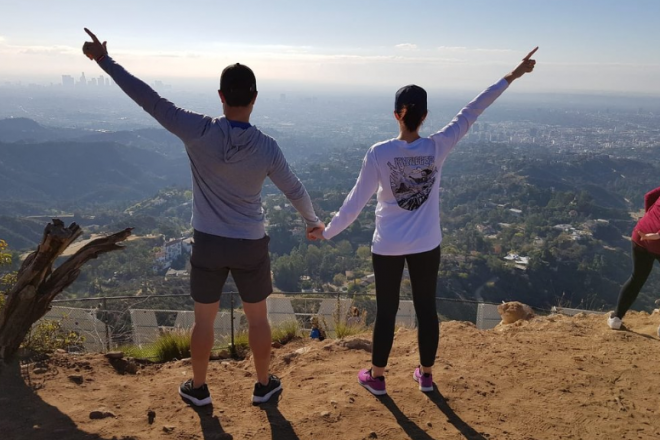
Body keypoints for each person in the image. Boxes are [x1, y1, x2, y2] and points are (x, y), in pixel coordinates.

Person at [82, 29, 324, 406]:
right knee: (259, 321)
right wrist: (313, 222)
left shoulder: (198, 130)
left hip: (208, 243)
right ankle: (263, 386)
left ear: (221, 96)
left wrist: (104, 61)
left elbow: (150, 99)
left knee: (203, 321)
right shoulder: (267, 148)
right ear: (255, 99)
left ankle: (198, 388)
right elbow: (294, 189)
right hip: (250, 244)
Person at [310, 48, 538, 395]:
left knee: (386, 313)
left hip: (387, 245)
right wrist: (513, 74)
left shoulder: (379, 153)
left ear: (395, 115)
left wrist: (327, 232)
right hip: (427, 243)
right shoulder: (437, 146)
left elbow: (355, 201)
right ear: (425, 116)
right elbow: (473, 109)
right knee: (426, 309)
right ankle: (426, 375)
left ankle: (378, 376)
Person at [608, 185, 660, 335]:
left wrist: (650, 219)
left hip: (640, 234)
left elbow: (648, 196)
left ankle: (616, 319)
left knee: (636, 277)